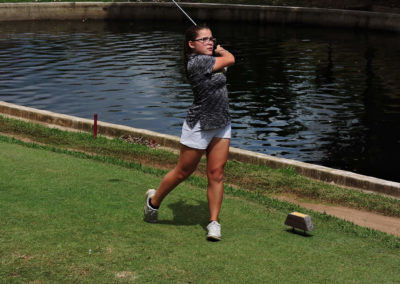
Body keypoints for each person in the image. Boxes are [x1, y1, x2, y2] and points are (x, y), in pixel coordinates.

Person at [143, 24, 235, 241]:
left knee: (216, 174)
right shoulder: (197, 62)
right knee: (183, 172)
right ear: (191, 45)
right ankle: (153, 202)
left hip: (222, 121)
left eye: (212, 38)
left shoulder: (209, 59)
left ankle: (214, 223)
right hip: (200, 124)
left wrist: (218, 53)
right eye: (204, 39)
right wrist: (222, 51)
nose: (210, 42)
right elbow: (230, 59)